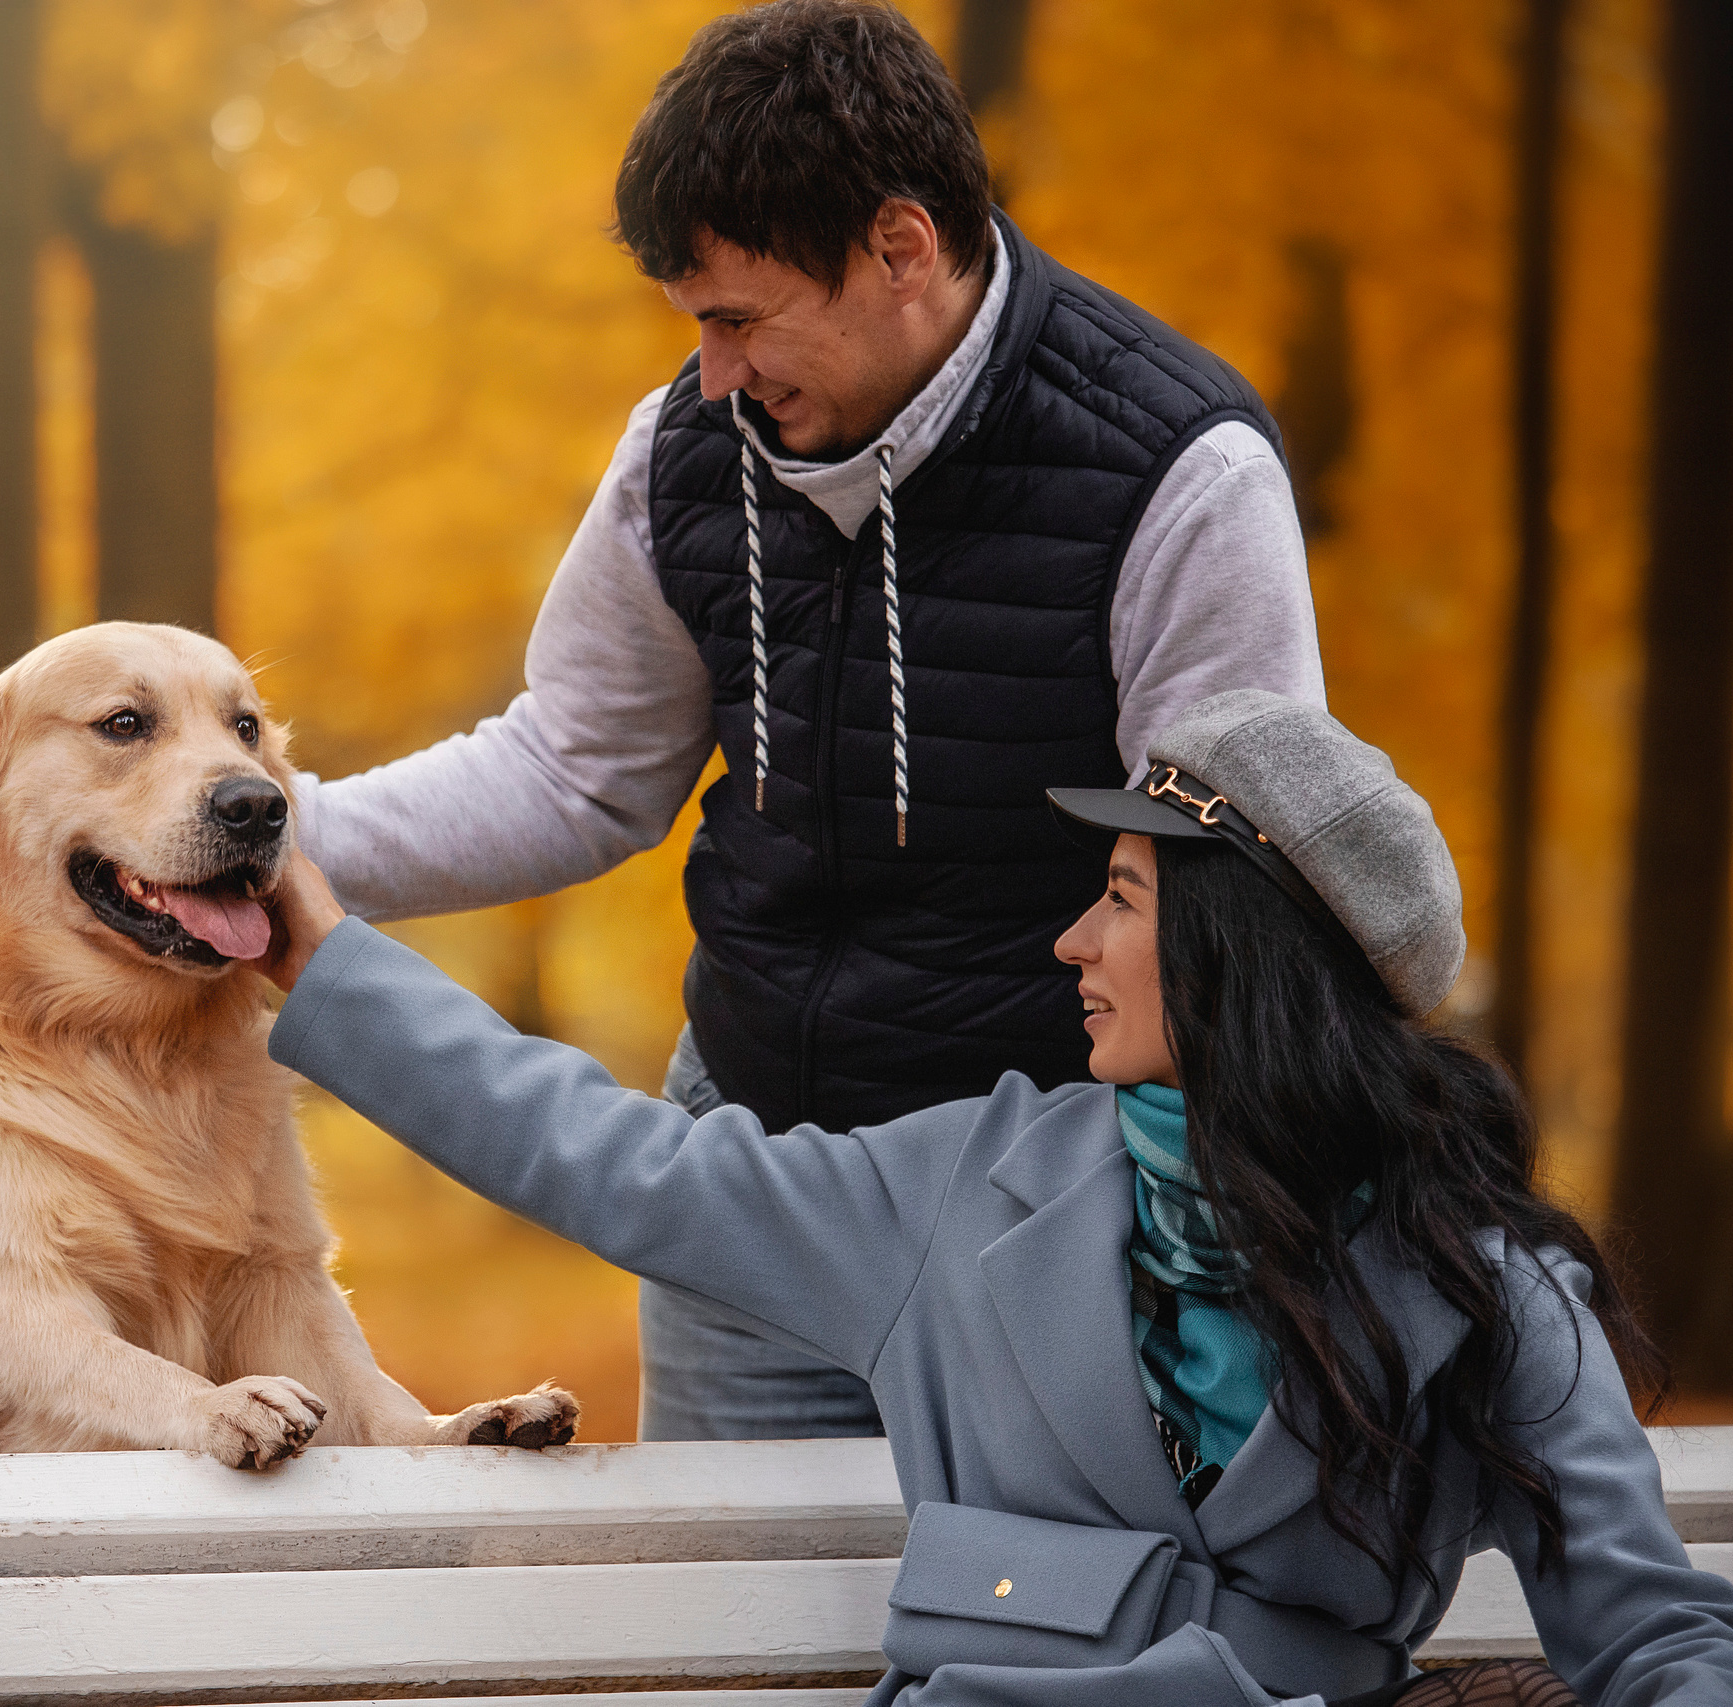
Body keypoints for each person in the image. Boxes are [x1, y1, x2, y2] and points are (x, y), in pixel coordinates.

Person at [255, 690, 1733, 1707]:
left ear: (1243, 963)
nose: (1071, 945)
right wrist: (325, 961)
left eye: (1119, 899)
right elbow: (614, 1160)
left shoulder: (1479, 1281)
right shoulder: (956, 1191)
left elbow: (1653, 1626)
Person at [295, 0, 1326, 1442]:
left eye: (738, 317)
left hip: (1044, 1208)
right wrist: (269, 842)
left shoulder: (1180, 475)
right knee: (729, 1636)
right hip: (748, 1189)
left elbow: (1225, 886)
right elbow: (574, 768)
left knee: (1027, 1634)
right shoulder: (686, 452)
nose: (715, 374)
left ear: (902, 248)